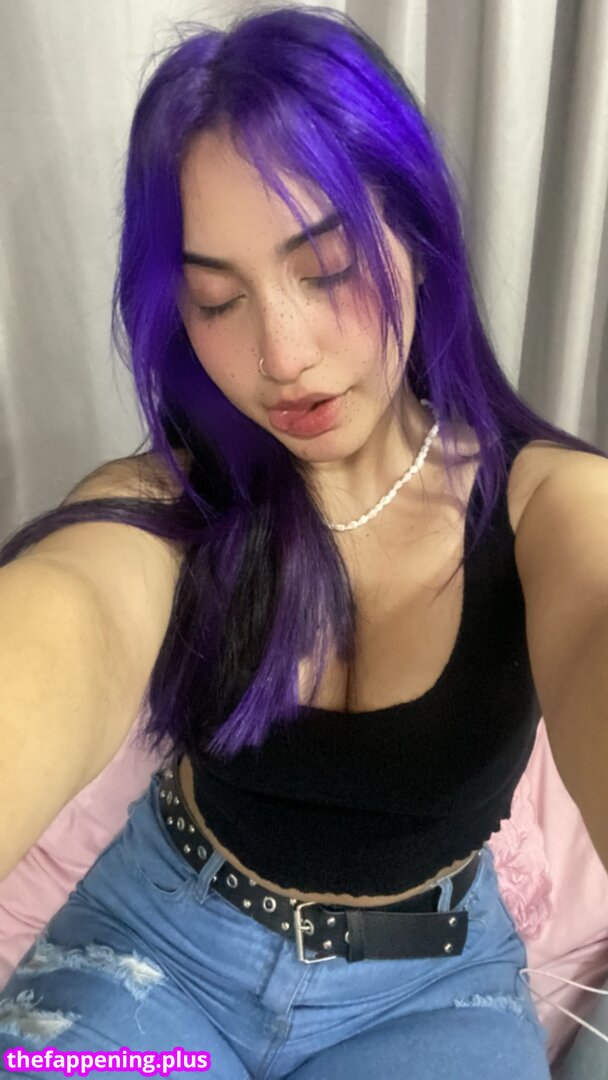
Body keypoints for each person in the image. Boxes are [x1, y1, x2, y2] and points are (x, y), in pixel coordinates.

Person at [0, 5, 606, 1077]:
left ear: (418, 241)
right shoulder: (169, 506)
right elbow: (69, 615)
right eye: (216, 300)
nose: (281, 354)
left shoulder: (547, 505)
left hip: (431, 981)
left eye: (325, 269)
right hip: (156, 944)